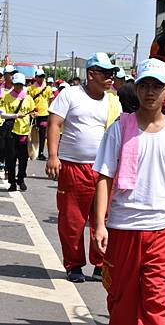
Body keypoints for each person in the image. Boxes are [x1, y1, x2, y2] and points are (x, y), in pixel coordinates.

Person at [93, 58, 165, 325]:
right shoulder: (118, 129)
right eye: (145, 85)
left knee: (157, 300)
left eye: (157, 86)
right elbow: (104, 178)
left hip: (163, 227)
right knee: (121, 298)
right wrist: (100, 225)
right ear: (136, 89)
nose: (150, 92)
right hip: (123, 227)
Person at [46, 52, 122, 282]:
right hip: (73, 167)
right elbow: (54, 123)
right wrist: (52, 156)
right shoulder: (70, 94)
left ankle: (100, 264)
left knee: (103, 218)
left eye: (112, 73)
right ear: (91, 74)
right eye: (106, 73)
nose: (111, 78)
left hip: (103, 170)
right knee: (72, 219)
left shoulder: (112, 101)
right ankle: (74, 265)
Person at [1, 73, 36, 191]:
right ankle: (12, 182)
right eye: (16, 84)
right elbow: (2, 114)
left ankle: (20, 178)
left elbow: (32, 111)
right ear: (13, 83)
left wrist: (33, 114)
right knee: (10, 158)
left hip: (25, 132)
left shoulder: (28, 98)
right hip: (11, 132)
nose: (18, 87)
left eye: (20, 84)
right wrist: (16, 115)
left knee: (23, 158)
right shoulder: (6, 97)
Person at [28, 68, 54, 161]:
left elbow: (51, 100)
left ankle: (41, 153)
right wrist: (31, 111)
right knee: (30, 133)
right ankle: (29, 151)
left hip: (44, 114)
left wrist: (51, 113)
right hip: (33, 114)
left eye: (43, 76)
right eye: (39, 76)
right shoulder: (30, 88)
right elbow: (28, 100)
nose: (41, 78)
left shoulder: (48, 88)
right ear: (36, 77)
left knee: (42, 134)